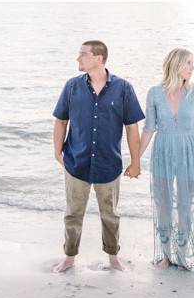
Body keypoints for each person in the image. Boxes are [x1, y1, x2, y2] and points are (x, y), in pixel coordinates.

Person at [52, 40, 144, 273]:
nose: (78, 59)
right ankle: (69, 257)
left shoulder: (123, 88)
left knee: (111, 215)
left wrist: (135, 162)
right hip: (76, 162)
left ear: (98, 58)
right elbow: (61, 120)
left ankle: (113, 257)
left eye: (83, 54)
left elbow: (132, 128)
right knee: (73, 214)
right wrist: (57, 151)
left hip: (108, 164)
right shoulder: (72, 86)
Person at [138, 48, 194, 272]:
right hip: (162, 152)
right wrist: (135, 160)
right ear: (176, 65)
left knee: (184, 205)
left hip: (188, 152)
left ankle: (181, 256)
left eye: (192, 63)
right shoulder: (154, 93)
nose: (193, 68)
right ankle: (166, 255)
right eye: (189, 63)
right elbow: (149, 128)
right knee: (163, 204)